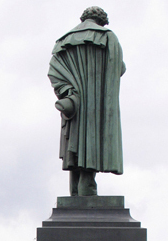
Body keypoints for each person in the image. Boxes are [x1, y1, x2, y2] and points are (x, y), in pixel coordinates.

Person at [48, 6, 125, 196]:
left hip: (74, 101)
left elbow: (54, 72)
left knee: (75, 142)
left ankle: (76, 191)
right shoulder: (108, 37)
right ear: (102, 20)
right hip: (97, 102)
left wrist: (67, 91)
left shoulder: (62, 42)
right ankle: (87, 190)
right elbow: (119, 68)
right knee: (92, 141)